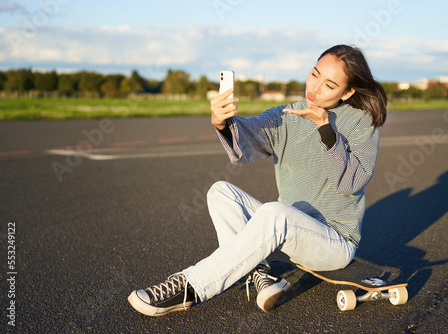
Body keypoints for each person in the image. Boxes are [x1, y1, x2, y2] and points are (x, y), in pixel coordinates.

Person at [128, 44, 387, 316]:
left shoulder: (362, 122)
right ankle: (262, 274)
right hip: (288, 236)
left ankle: (189, 287)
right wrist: (222, 122)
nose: (315, 87)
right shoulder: (287, 115)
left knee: (274, 212)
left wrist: (325, 129)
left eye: (329, 85)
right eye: (314, 74)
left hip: (333, 242)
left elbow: (349, 183)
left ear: (347, 92)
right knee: (221, 192)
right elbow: (249, 134)